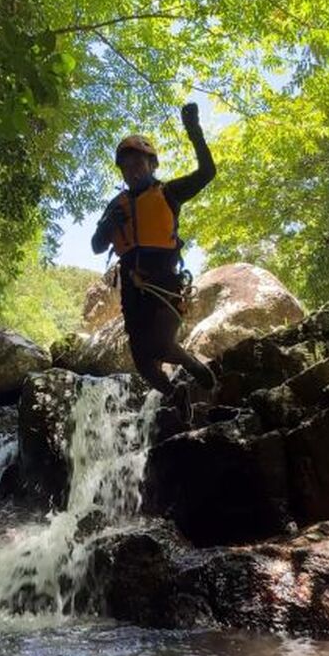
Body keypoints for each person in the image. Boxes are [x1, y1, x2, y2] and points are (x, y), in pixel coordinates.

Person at [90, 102, 217, 423]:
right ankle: (176, 395)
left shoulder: (169, 193)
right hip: (133, 292)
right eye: (126, 167)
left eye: (138, 163)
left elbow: (207, 173)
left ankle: (191, 364)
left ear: (152, 164)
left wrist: (193, 130)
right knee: (143, 362)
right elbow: (96, 246)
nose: (132, 171)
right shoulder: (115, 206)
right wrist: (107, 226)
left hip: (165, 285)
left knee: (160, 344)